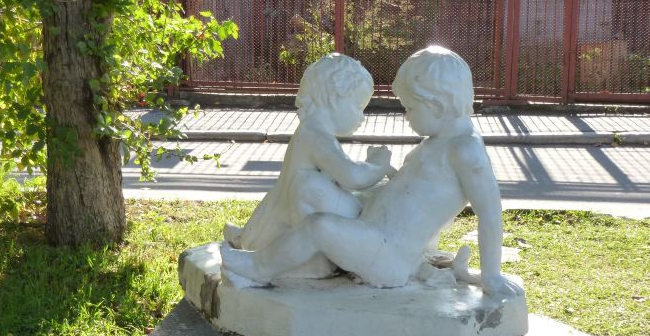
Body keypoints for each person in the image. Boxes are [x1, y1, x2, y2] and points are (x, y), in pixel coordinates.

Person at [222, 46, 522, 296]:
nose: (406, 117)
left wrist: (491, 275)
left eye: (410, 108)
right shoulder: (438, 142)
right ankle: (270, 246)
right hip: (373, 232)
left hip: (387, 256)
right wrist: (382, 172)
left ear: (437, 105)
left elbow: (490, 213)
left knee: (319, 226)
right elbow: (414, 194)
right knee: (308, 187)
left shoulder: (466, 150)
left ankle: (259, 267)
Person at [223, 53, 395, 277]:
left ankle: (251, 238)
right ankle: (313, 260)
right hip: (299, 213)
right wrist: (379, 165)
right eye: (358, 107)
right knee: (307, 186)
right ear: (334, 99)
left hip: (287, 210)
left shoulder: (309, 131)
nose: (362, 117)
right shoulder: (317, 137)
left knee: (295, 189)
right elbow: (353, 177)